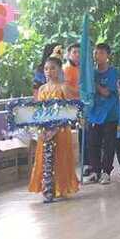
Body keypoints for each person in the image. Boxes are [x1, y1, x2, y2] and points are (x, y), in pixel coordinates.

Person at [28, 56, 79, 202]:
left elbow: (69, 110)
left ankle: (61, 187)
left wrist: (56, 128)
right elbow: (39, 111)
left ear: (59, 70)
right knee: (44, 159)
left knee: (60, 158)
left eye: (52, 68)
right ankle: (47, 188)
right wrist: (42, 130)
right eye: (46, 69)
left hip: (61, 130)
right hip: (45, 131)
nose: (49, 72)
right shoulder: (42, 89)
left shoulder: (64, 87)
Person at [85, 43, 120, 185]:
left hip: (110, 114)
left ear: (107, 56)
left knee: (108, 145)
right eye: (95, 53)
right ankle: (95, 171)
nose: (97, 56)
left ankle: (106, 172)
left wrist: (94, 84)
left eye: (101, 53)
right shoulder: (91, 73)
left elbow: (106, 92)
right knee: (92, 143)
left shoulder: (113, 72)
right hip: (94, 114)